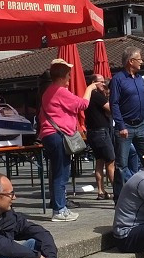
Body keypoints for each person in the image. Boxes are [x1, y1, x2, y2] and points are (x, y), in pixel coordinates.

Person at [38, 58, 100, 221]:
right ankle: (59, 210)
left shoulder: (49, 91)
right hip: (57, 136)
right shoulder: (60, 91)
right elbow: (82, 104)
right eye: (68, 75)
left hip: (50, 135)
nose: (70, 78)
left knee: (58, 172)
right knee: (61, 174)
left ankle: (61, 207)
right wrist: (90, 88)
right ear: (63, 76)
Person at [109, 46, 144, 196]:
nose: (142, 62)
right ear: (131, 61)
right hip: (125, 126)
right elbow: (114, 103)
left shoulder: (140, 79)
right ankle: (119, 198)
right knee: (121, 165)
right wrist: (121, 125)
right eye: (140, 59)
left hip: (141, 125)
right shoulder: (118, 79)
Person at [84, 74, 115, 200]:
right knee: (110, 162)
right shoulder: (96, 95)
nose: (103, 84)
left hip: (92, 132)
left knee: (99, 162)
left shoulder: (88, 96)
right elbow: (111, 109)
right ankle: (118, 193)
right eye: (100, 82)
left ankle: (101, 191)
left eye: (104, 82)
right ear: (93, 83)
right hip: (101, 132)